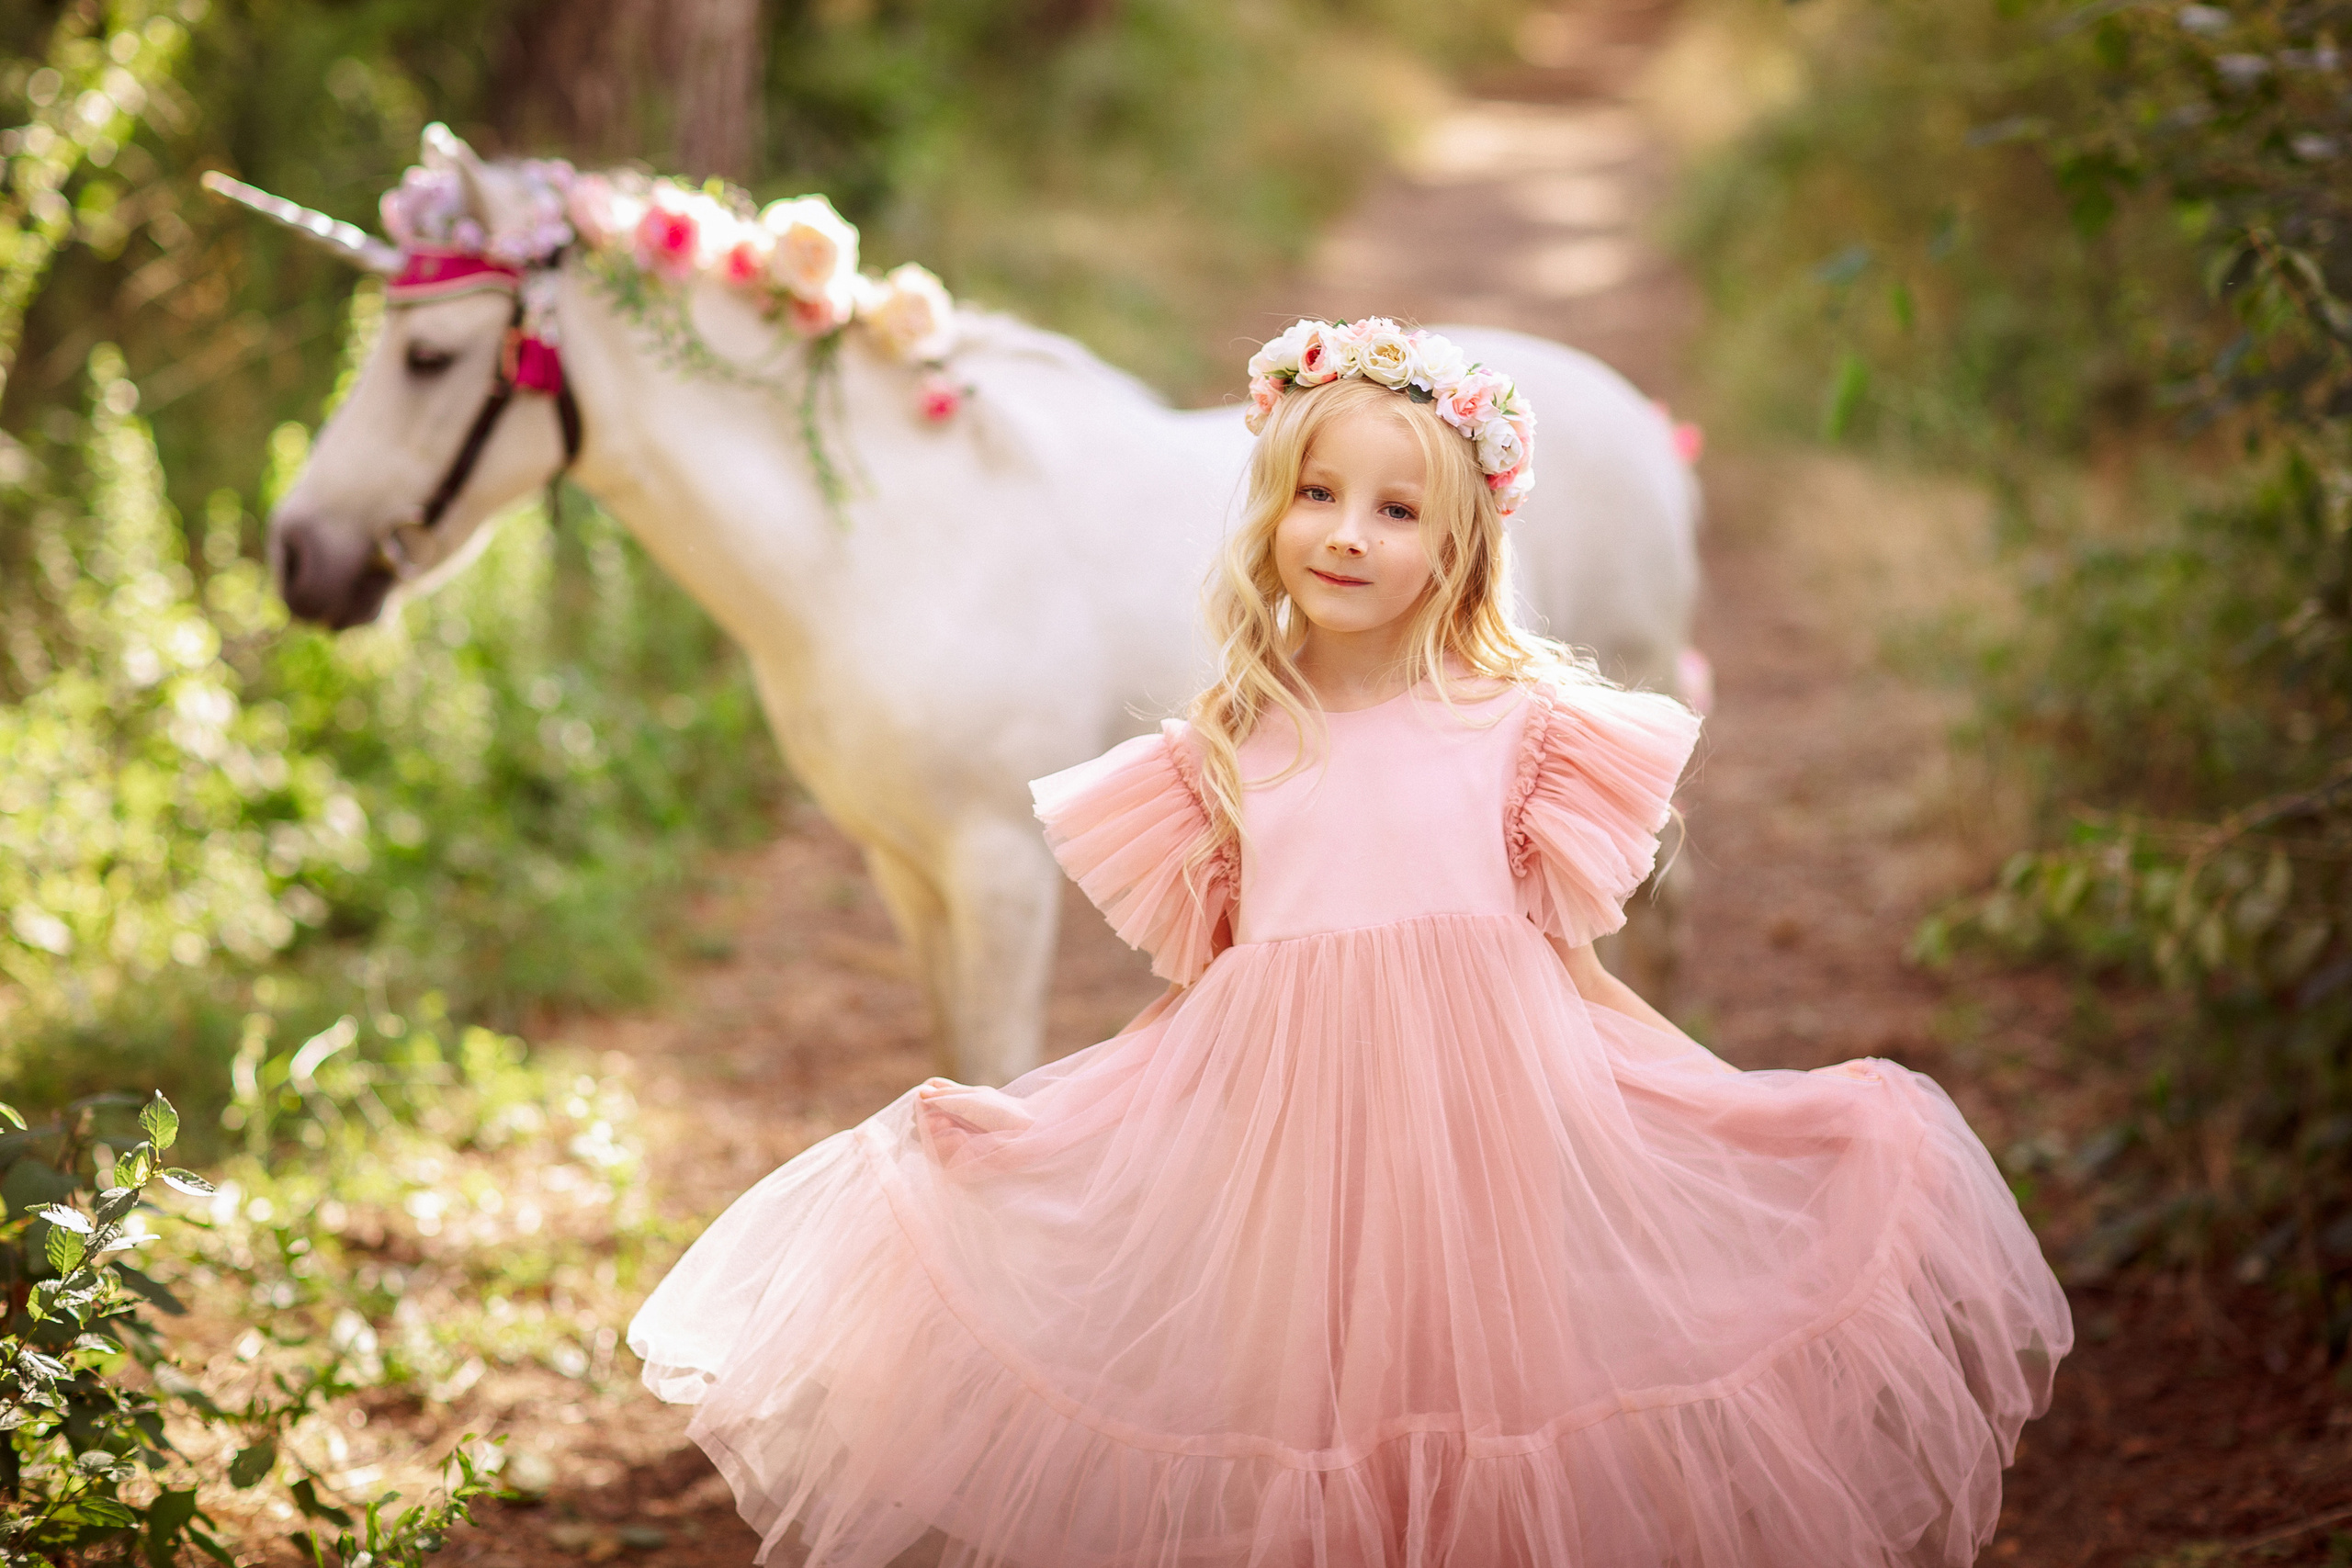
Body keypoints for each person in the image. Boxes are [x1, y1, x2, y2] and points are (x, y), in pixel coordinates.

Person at [627, 318, 2073, 1568]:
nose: (1346, 533)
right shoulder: (1225, 753)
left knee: (1504, 1441)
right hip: (1299, 1198)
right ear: (1266, 511)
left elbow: (1579, 981)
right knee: (1314, 1457)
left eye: (1395, 511)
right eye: (1317, 493)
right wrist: (1030, 1128)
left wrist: (1741, 1109)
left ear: (1461, 546)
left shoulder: (1529, 736)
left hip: (1487, 1170)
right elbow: (1204, 1013)